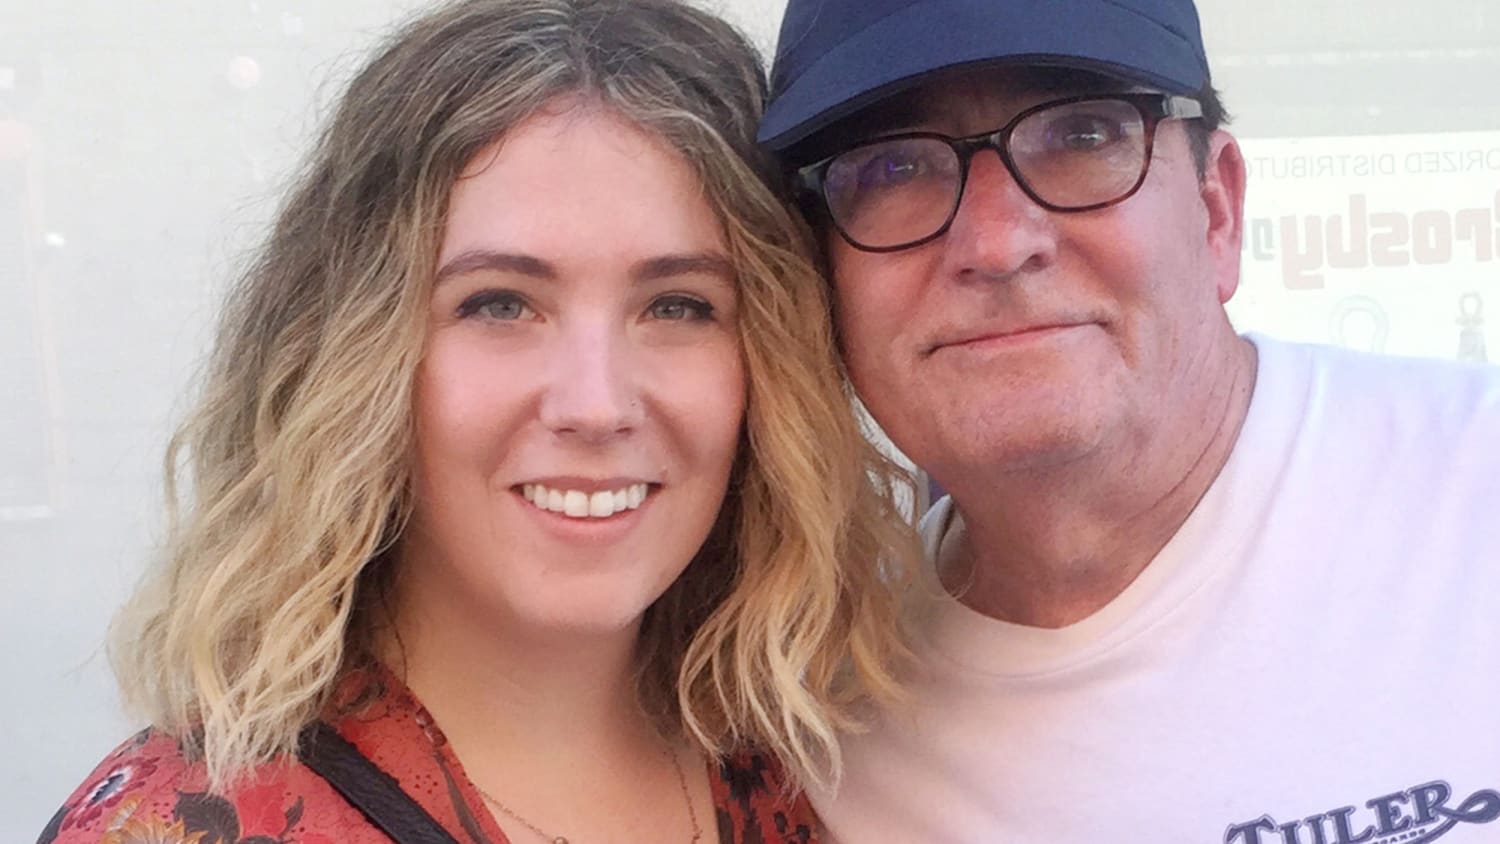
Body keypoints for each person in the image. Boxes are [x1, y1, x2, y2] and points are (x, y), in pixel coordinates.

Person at [36, 1, 920, 842]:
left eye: (678, 305)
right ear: (351, 359)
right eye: (499, 303)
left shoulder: (823, 767)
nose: (596, 405)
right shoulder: (195, 822)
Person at [758, 1, 1500, 842]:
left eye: (1082, 136)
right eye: (891, 169)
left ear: (1217, 209)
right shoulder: (813, 737)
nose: (998, 244)